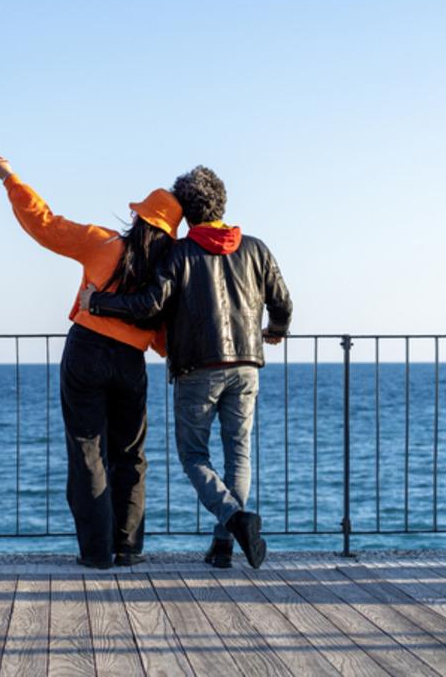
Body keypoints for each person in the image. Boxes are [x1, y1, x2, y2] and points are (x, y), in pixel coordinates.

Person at [81, 165, 291, 569]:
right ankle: (223, 547)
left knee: (193, 454)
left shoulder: (179, 255)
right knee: (239, 455)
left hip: (198, 368)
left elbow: (147, 306)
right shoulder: (257, 249)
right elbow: (283, 302)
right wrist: (275, 330)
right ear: (222, 204)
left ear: (187, 214)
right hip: (247, 365)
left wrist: (96, 303)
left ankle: (234, 520)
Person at [0, 150, 184, 569]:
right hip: (131, 362)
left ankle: (96, 554)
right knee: (130, 454)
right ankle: (128, 548)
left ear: (137, 220)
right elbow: (165, 335)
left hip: (87, 351)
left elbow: (46, 225)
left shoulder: (102, 242)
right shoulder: (169, 270)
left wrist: (9, 178)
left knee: (86, 451)